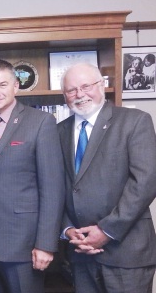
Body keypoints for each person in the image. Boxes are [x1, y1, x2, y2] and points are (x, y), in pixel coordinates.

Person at [0, 59, 64, 293]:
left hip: (23, 244)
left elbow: (52, 188)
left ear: (15, 86)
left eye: (2, 84)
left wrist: (46, 244)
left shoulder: (41, 122)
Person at [58, 62, 156, 292]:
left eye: (86, 86)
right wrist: (68, 229)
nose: (79, 95)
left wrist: (106, 231)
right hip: (80, 251)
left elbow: (146, 181)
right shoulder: (57, 131)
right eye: (71, 90)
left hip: (126, 252)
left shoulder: (134, 121)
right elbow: (55, 186)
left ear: (101, 85)